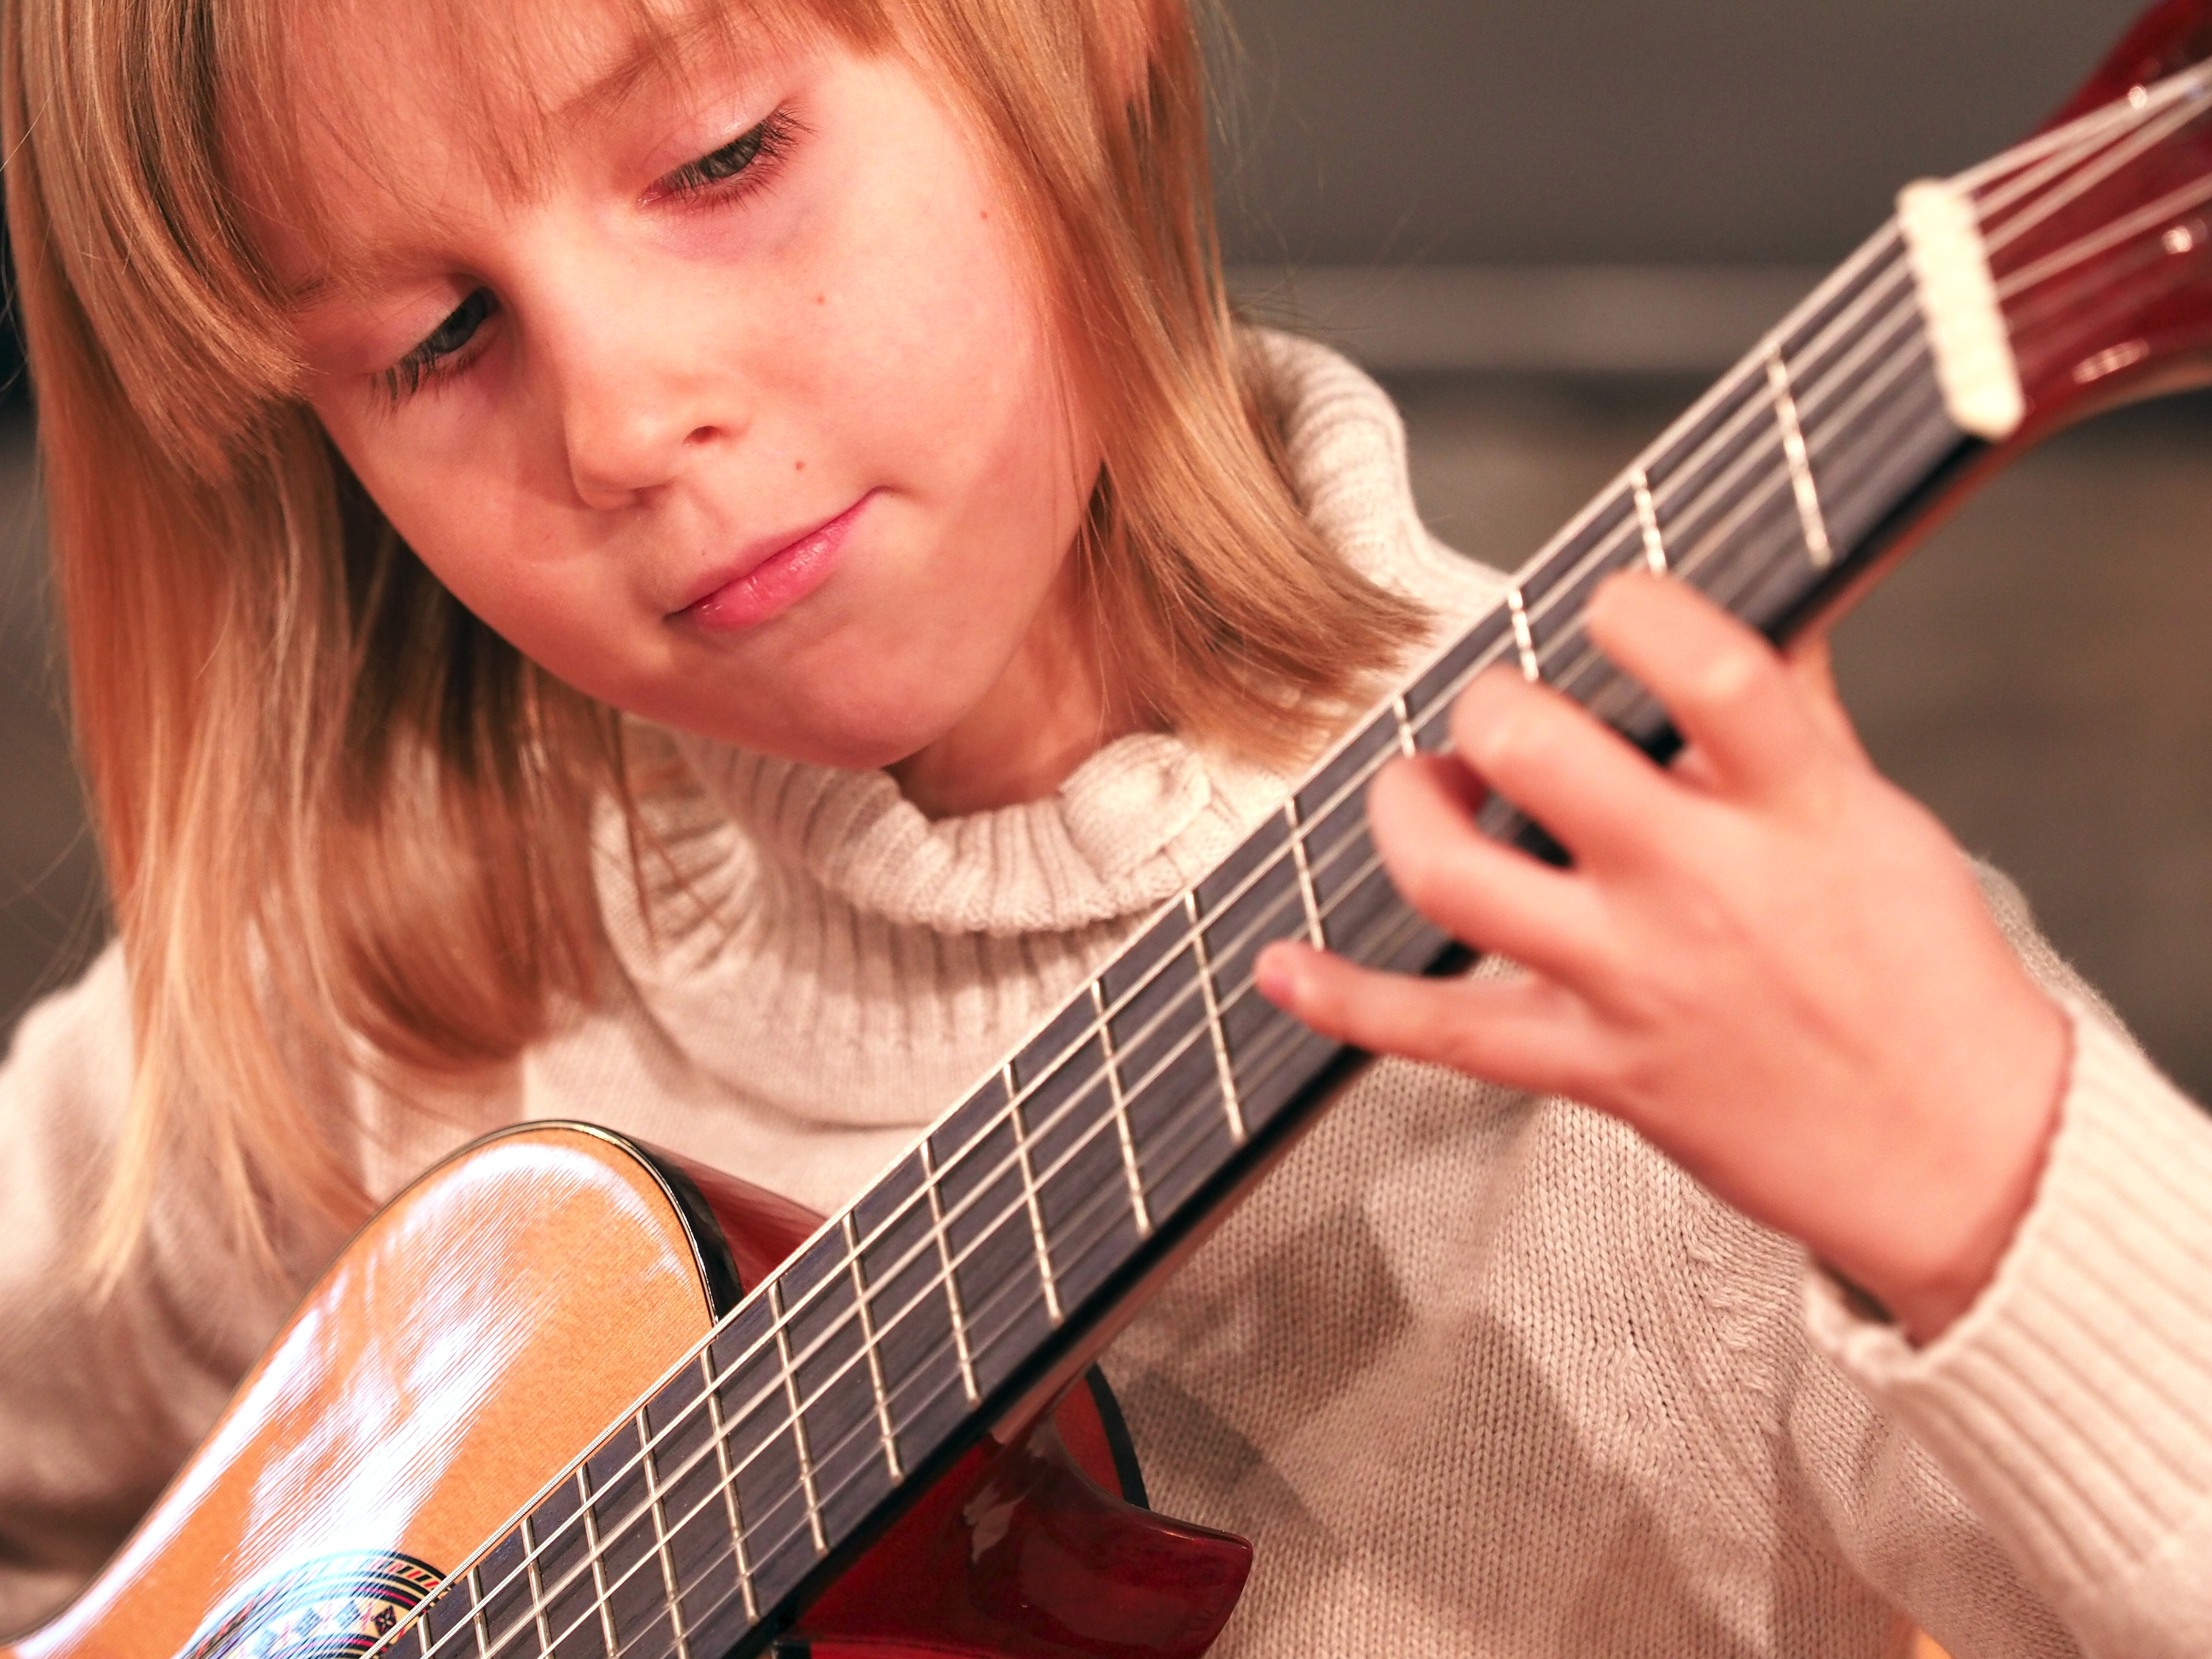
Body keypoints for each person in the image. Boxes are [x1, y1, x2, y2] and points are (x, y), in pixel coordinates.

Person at [0, 0, 2203, 1653]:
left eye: (722, 158)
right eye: (439, 333)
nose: (620, 418)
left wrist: (1984, 1162)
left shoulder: (1685, 1004)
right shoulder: (393, 983)